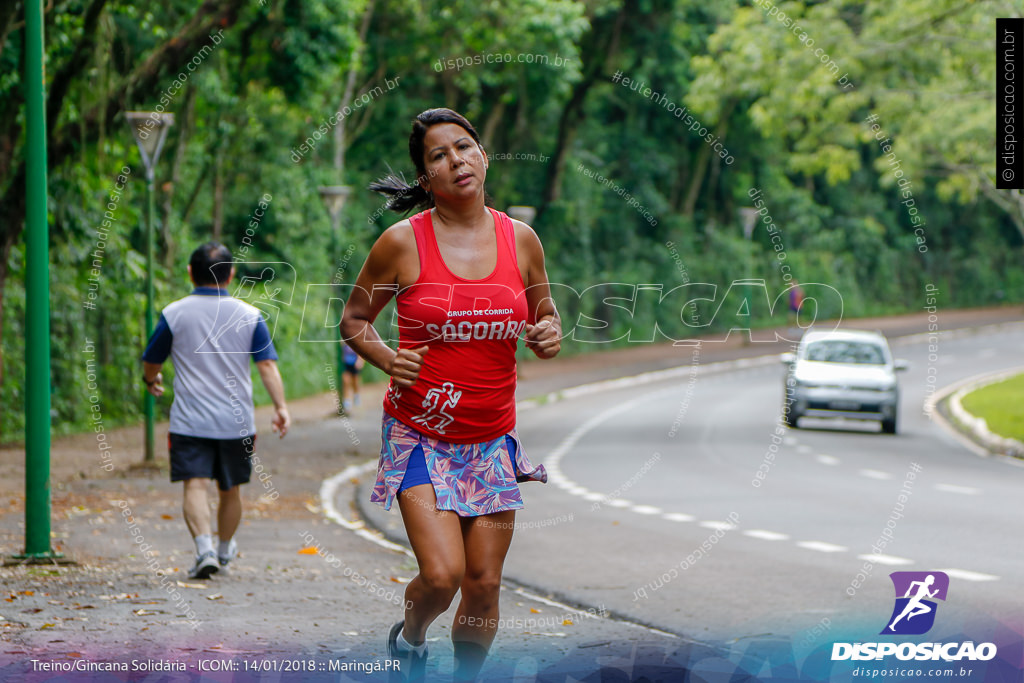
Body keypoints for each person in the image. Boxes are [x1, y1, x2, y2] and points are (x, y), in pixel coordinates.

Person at [340, 108, 561, 682]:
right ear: (425, 179)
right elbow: (355, 318)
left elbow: (545, 318)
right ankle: (410, 636)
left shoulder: (523, 240)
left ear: (483, 156)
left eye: (464, 147)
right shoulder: (400, 244)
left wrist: (546, 335)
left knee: (484, 585)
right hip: (420, 434)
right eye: (438, 155)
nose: (455, 160)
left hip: (490, 440)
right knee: (442, 577)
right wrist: (389, 358)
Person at [142, 242, 291, 579]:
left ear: (190, 273)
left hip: (189, 421)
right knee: (231, 489)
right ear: (231, 274)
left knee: (194, 485)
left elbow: (152, 360)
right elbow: (267, 366)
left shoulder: (174, 313)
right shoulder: (250, 315)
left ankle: (204, 549)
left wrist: (150, 380)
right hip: (235, 423)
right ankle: (223, 549)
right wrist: (281, 407)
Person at [341, 342, 364, 412]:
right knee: (346, 381)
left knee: (355, 381)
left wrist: (360, 360)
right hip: (346, 362)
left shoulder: (356, 339)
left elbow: (361, 351)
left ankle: (356, 396)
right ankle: (346, 400)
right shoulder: (343, 340)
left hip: (355, 362)